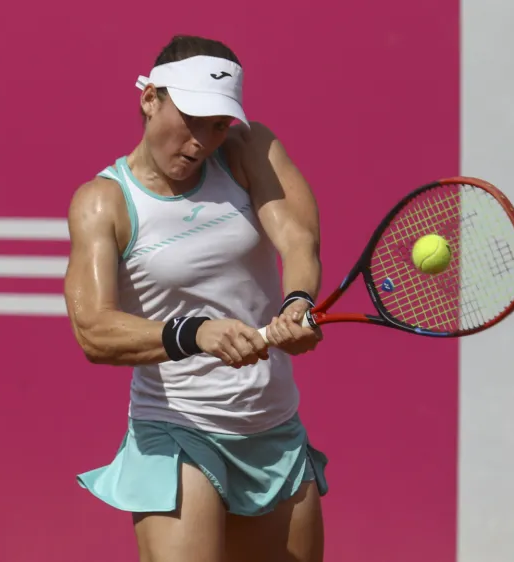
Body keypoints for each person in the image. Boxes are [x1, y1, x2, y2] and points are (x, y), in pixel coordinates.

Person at [63, 34, 328, 562]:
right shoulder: (103, 202)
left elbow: (298, 238)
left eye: (217, 123)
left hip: (272, 425)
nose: (202, 141)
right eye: (191, 119)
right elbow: (93, 330)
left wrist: (296, 303)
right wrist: (195, 331)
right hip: (177, 427)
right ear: (149, 99)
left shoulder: (247, 150)